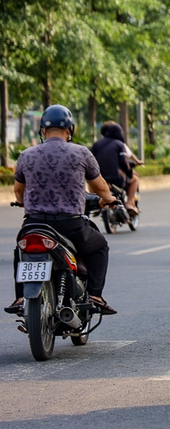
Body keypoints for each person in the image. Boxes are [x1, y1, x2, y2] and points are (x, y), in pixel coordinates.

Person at [6, 105, 117, 316]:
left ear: (43, 130)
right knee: (100, 246)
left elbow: (19, 190)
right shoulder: (81, 152)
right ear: (70, 129)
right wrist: (109, 199)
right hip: (71, 225)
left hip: (34, 223)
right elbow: (99, 187)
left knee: (21, 250)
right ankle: (94, 295)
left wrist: (21, 201)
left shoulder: (26, 155)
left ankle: (21, 296)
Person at [91, 122, 140, 213]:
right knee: (135, 179)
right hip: (117, 178)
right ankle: (129, 203)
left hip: (99, 178)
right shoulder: (119, 144)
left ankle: (95, 204)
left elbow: (90, 160)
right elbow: (123, 163)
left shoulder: (97, 144)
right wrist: (130, 173)